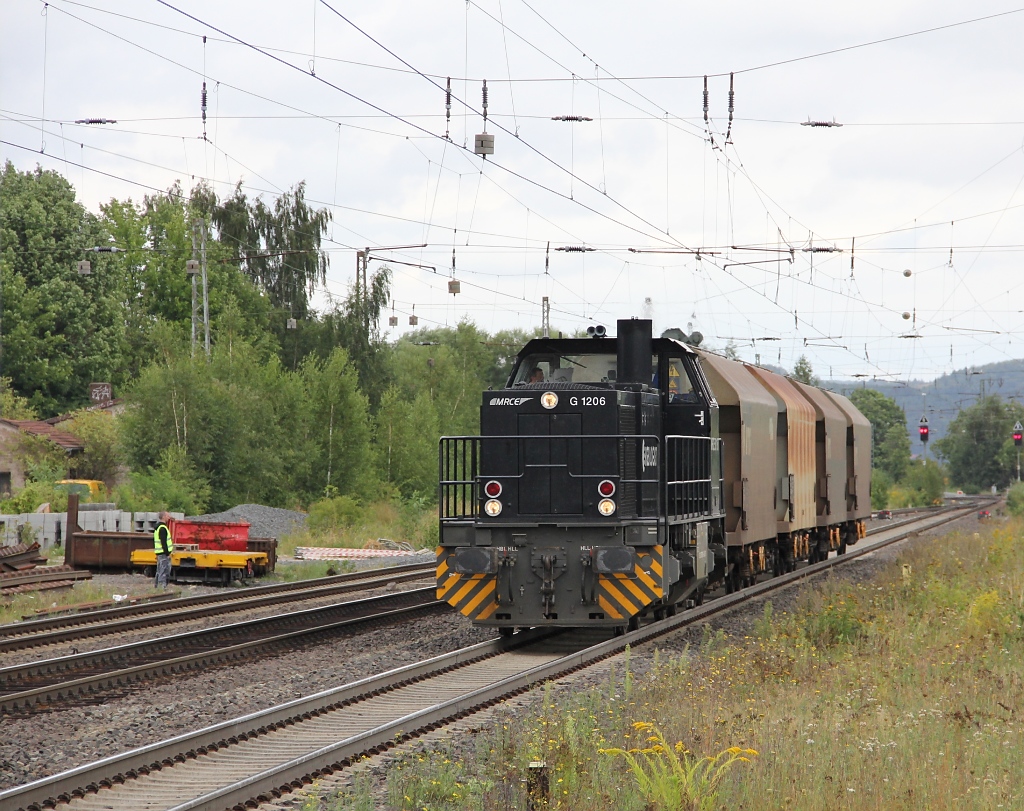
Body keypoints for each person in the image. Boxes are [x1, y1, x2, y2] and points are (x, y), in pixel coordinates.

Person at [154, 511, 173, 589]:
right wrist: (167, 553)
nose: (169, 517)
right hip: (163, 553)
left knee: (159, 571)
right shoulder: (162, 528)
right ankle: (162, 588)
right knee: (164, 571)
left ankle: (157, 587)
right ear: (163, 517)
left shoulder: (158, 527)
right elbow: (164, 542)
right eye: (168, 515)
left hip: (160, 553)